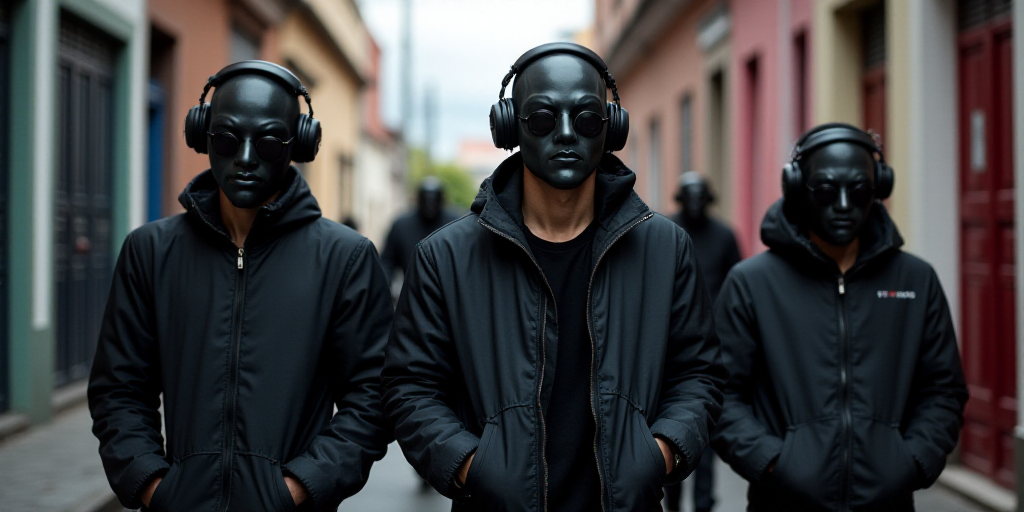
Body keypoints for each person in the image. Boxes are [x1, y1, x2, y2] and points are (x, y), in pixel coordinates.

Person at [382, 42, 725, 512]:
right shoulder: (443, 258)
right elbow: (411, 389)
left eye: (586, 118)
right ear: (510, 127)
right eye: (543, 118)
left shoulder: (666, 249)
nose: (566, 134)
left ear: (612, 128)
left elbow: (699, 375)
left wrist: (659, 454)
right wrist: (473, 467)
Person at [88, 61, 392, 511]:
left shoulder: (345, 258)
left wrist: (301, 487)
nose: (245, 158)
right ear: (202, 135)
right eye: (227, 139)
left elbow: (374, 397)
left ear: (300, 144)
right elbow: (119, 389)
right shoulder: (149, 253)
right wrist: (152, 485)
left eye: (269, 143)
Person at [712, 123, 968, 511]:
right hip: (781, 502)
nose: (845, 204)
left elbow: (943, 390)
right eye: (827, 191)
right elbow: (721, 395)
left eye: (861, 190)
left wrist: (912, 461)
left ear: (878, 188)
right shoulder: (751, 284)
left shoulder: (916, 280)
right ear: (797, 189)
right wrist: (774, 464)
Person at [664, 172, 741, 512]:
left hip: (713, 345)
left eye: (700, 197)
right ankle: (674, 499)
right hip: (669, 343)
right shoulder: (666, 234)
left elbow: (735, 288)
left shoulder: (724, 236)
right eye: (689, 197)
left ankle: (705, 503)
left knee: (703, 427)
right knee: (670, 425)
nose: (695, 204)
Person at [379, 177, 461, 288]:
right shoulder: (401, 226)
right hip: (412, 290)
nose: (429, 205)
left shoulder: (454, 225)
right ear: (419, 200)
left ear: (441, 201)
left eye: (434, 200)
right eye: (426, 200)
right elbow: (387, 263)